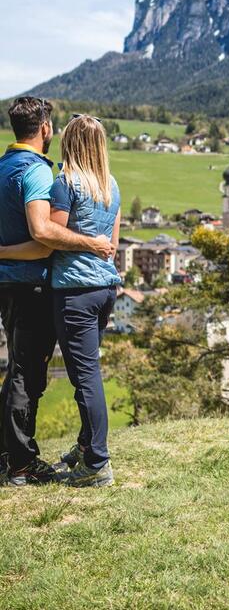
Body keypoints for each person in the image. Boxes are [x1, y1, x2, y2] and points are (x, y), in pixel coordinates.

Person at [0, 98, 113, 487]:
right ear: (45, 128)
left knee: (21, 369)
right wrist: (92, 243)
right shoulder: (38, 171)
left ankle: (12, 456)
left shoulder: (6, 167)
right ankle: (24, 463)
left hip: (13, 284)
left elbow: (35, 233)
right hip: (38, 283)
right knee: (29, 374)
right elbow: (44, 237)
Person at [48, 115, 122, 487]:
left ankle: (97, 463)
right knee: (87, 372)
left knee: (86, 378)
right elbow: (113, 246)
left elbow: (51, 234)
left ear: (70, 144)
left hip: (75, 290)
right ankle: (84, 446)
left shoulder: (65, 184)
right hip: (105, 289)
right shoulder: (111, 186)